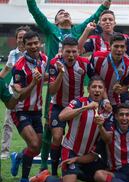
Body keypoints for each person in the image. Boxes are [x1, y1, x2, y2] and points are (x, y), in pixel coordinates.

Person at [26, 0, 111, 172]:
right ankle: (45, 165)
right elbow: (35, 11)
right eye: (61, 13)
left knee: (75, 133)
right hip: (55, 92)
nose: (65, 13)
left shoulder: (77, 31)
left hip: (76, 100)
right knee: (50, 130)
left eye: (67, 13)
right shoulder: (51, 29)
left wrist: (104, 6)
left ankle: (73, 164)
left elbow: (93, 18)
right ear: (56, 21)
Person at [29, 76, 111, 182]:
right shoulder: (79, 102)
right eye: (94, 87)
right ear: (88, 89)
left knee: (103, 178)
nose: (97, 90)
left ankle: (73, 172)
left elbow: (107, 139)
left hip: (88, 156)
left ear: (104, 91)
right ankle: (45, 177)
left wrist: (101, 125)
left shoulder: (107, 110)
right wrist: (85, 108)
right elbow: (62, 116)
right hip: (70, 151)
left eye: (100, 87)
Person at [48, 37, 93, 176]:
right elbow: (52, 90)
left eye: (74, 51)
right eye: (68, 52)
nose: (71, 55)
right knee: (57, 137)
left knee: (78, 139)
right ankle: (54, 172)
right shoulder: (55, 63)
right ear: (62, 51)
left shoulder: (85, 64)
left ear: (79, 51)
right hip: (58, 105)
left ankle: (75, 168)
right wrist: (61, 73)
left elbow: (96, 81)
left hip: (77, 106)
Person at [9, 31, 48, 182]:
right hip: (20, 110)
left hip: (36, 110)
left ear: (40, 43)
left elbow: (45, 78)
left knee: (37, 147)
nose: (33, 46)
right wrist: (33, 83)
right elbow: (18, 94)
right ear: (23, 46)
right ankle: (23, 180)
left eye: (35, 43)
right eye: (29, 44)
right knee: (33, 144)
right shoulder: (19, 66)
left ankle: (17, 156)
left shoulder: (44, 60)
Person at [0, 26, 30, 159]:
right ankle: (5, 151)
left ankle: (30, 150)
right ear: (16, 39)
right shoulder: (13, 54)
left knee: (30, 123)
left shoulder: (33, 53)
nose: (21, 40)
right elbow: (7, 69)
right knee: (8, 123)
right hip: (13, 93)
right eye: (19, 37)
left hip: (29, 93)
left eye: (24, 37)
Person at [89, 34, 129, 110]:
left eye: (122, 46)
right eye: (116, 46)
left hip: (115, 102)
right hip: (96, 100)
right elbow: (93, 80)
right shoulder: (96, 58)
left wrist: (121, 89)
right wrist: (105, 100)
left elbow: (126, 85)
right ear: (110, 47)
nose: (119, 49)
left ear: (126, 48)